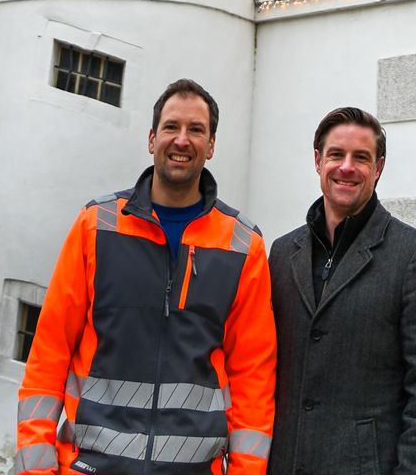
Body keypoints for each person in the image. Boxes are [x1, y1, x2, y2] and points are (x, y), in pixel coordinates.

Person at [16, 77, 275, 475]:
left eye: (196, 130)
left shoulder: (243, 245)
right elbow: (49, 353)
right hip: (91, 467)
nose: (182, 140)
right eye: (171, 127)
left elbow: (253, 378)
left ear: (211, 146)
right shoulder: (95, 227)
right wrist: (37, 467)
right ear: (152, 138)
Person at [268, 104, 416, 475]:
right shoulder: (281, 253)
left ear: (379, 168)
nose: (347, 167)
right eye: (336, 154)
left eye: (362, 157)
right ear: (318, 161)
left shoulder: (414, 254)